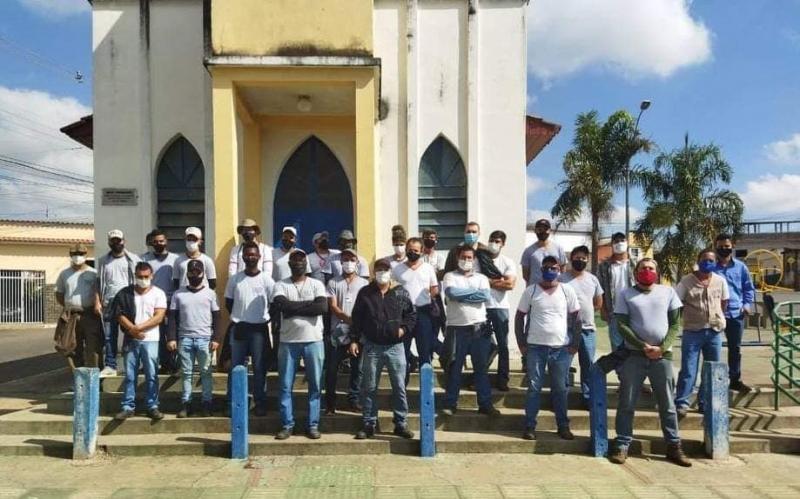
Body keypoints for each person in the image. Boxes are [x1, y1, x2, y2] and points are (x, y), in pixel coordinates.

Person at [609, 258, 691, 467]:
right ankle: (622, 444)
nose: (647, 271)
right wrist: (642, 345)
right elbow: (621, 325)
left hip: (662, 357)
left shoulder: (668, 292)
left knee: (667, 404)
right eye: (643, 268)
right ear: (636, 272)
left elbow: (675, 324)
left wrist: (662, 348)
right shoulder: (625, 294)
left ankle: (673, 445)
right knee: (627, 402)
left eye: (651, 268)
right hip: (634, 355)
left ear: (658, 271)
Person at [515, 255, 580, 440]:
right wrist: (521, 343)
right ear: (541, 270)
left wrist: (574, 344)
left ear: (560, 270)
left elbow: (577, 318)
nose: (550, 271)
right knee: (534, 388)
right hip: (535, 348)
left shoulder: (567, 291)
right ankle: (529, 426)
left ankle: (563, 426)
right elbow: (519, 317)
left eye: (554, 268)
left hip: (561, 349)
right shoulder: (531, 291)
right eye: (546, 267)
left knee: (560, 388)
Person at [350, 258, 416, 439]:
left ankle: (401, 423)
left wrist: (403, 329)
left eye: (385, 269)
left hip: (395, 347)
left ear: (391, 272)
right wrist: (354, 340)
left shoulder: (400, 292)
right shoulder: (365, 293)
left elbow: (411, 315)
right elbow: (357, 319)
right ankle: (369, 423)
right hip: (372, 346)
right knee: (369, 387)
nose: (382, 272)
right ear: (373, 272)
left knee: (399, 387)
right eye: (379, 269)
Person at [272, 249, 328, 439]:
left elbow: (321, 307)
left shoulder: (317, 284)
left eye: (301, 261)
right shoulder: (280, 285)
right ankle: (287, 424)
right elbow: (281, 305)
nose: (298, 264)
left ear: (307, 264)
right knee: (285, 386)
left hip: (314, 341)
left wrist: (293, 309)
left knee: (315, 385)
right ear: (289, 264)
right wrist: (307, 306)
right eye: (294, 261)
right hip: (288, 342)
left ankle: (313, 425)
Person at [440, 246, 499, 416]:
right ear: (458, 257)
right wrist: (473, 294)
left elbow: (485, 296)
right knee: (454, 368)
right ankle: (450, 404)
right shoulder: (449, 276)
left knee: (481, 369)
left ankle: (485, 404)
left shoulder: (481, 278)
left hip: (479, 329)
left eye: (470, 257)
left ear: (474, 259)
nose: (467, 260)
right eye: (464, 257)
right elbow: (451, 293)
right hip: (456, 330)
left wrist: (462, 295)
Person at [675, 249, 729, 417]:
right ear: (698, 261)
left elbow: (724, 302)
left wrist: (716, 316)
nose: (708, 262)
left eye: (711, 260)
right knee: (689, 368)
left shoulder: (720, 281)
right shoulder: (686, 281)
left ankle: (704, 402)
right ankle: (682, 401)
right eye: (704, 259)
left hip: (714, 332)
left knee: (711, 369)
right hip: (692, 331)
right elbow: (677, 303)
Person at [224, 242, 275, 417]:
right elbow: (228, 303)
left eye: (254, 254)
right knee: (236, 368)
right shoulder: (235, 279)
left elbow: (273, 304)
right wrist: (240, 317)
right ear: (243, 257)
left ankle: (259, 402)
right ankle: (234, 403)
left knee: (259, 369)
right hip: (239, 329)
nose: (250, 257)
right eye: (247, 254)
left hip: (259, 329)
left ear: (259, 257)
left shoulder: (267, 280)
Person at [167, 259, 223, 418]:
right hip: (184, 338)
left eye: (197, 272)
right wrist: (171, 338)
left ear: (203, 273)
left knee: (206, 372)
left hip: (205, 339)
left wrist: (216, 338)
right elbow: (172, 318)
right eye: (191, 272)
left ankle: (207, 403)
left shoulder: (211, 294)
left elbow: (217, 317)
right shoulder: (178, 294)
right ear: (187, 273)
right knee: (186, 373)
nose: (194, 275)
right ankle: (186, 403)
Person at [112, 262, 167, 421]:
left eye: (146, 276)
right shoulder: (125, 293)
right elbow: (119, 314)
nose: (143, 279)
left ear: (151, 276)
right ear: (134, 276)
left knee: (152, 374)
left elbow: (159, 316)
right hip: (131, 340)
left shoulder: (159, 293)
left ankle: (152, 405)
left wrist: (139, 328)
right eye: (139, 277)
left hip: (151, 340)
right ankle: (128, 406)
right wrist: (132, 330)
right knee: (130, 375)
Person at [557, 245, 603, 407]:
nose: (580, 260)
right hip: (566, 330)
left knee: (588, 365)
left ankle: (588, 397)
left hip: (588, 330)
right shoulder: (561, 279)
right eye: (577, 258)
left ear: (587, 260)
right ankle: (561, 398)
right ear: (571, 259)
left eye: (583, 258)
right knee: (563, 365)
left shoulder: (593, 279)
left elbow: (598, 303)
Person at [324, 249, 369, 414]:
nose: (348, 262)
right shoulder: (333, 283)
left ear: (357, 262)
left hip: (358, 334)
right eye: (345, 259)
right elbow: (333, 306)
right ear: (340, 262)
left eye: (352, 259)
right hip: (337, 333)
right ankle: (330, 404)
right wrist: (349, 319)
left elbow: (366, 307)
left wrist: (357, 325)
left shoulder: (364, 284)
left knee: (358, 369)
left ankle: (354, 400)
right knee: (331, 369)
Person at [392, 237, 440, 384]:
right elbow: (391, 289)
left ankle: (426, 393)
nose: (413, 252)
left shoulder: (428, 268)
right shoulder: (397, 269)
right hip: (403, 315)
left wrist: (427, 296)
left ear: (421, 251)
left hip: (423, 314)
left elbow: (435, 289)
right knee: (403, 354)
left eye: (416, 250)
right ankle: (402, 392)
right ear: (406, 250)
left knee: (425, 353)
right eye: (410, 250)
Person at [713, 233, 756, 393]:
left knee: (735, 349)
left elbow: (748, 288)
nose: (724, 249)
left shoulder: (741, 267)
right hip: (715, 315)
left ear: (732, 247)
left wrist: (746, 304)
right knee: (713, 348)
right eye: (721, 247)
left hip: (735, 314)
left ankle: (735, 380)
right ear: (716, 247)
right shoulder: (710, 267)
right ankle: (714, 380)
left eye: (727, 246)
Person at [96, 229, 140, 377]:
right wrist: (97, 301)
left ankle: (132, 364)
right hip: (109, 302)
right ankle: (110, 365)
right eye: (113, 241)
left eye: (118, 240)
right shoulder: (103, 261)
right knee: (109, 336)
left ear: (124, 241)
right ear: (109, 242)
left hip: (127, 302)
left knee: (130, 333)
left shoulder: (133, 259)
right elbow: (99, 282)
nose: (116, 243)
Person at [54, 243, 102, 368]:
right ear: (70, 255)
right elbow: (59, 293)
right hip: (72, 316)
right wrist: (69, 306)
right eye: (74, 254)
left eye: (80, 254)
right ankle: (78, 379)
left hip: (90, 314)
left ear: (86, 255)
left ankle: (96, 380)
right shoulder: (64, 274)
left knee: (94, 347)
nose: (77, 256)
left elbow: (99, 293)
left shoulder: (93, 273)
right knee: (72, 347)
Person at [597, 232, 636, 378]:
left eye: (622, 240)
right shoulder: (604, 267)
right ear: (612, 244)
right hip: (614, 313)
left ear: (627, 243)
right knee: (618, 348)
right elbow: (599, 289)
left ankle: (636, 380)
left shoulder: (635, 264)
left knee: (635, 348)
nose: (619, 243)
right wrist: (603, 309)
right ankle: (623, 380)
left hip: (634, 313)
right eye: (616, 240)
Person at [141, 229, 180, 374]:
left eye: (161, 241)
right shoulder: (144, 259)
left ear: (166, 241)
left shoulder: (175, 259)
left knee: (172, 334)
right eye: (155, 241)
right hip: (152, 303)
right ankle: (162, 364)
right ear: (151, 243)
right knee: (157, 333)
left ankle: (174, 364)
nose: (159, 244)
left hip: (171, 301)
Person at [483, 230, 517, 391]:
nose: (493, 243)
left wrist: (487, 281)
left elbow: (510, 285)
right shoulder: (481, 260)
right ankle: (480, 376)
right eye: (491, 240)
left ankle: (503, 379)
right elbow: (476, 281)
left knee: (503, 345)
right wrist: (498, 280)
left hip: (500, 308)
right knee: (483, 343)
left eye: (497, 241)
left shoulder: (507, 262)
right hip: (482, 307)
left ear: (503, 243)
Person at [520, 218, 567, 286]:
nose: (543, 232)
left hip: (554, 290)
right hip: (535, 290)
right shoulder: (528, 251)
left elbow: (563, 271)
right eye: (540, 229)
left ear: (550, 231)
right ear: (535, 231)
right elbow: (525, 275)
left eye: (545, 229)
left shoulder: (558, 248)